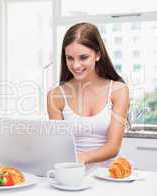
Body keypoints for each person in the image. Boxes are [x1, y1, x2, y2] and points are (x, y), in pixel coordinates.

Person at [47, 22, 129, 167]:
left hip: (107, 176)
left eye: (83, 57)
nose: (76, 65)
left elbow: (113, 147)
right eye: (70, 58)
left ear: (97, 55)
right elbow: (58, 145)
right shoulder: (56, 96)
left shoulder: (118, 90)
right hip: (72, 174)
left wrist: (82, 158)